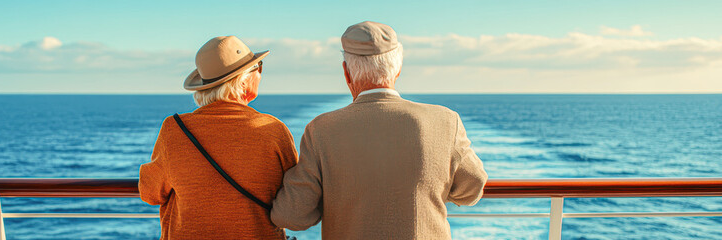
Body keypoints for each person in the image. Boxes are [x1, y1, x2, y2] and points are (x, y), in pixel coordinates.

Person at [270, 21, 489, 239]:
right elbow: (473, 186)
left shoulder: (321, 130)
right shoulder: (445, 121)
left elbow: (292, 216)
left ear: (346, 73)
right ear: (398, 68)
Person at [139, 36, 297, 239]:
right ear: (244, 80)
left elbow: (150, 192)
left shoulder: (174, 130)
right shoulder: (274, 130)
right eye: (258, 67)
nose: (260, 73)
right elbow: (294, 203)